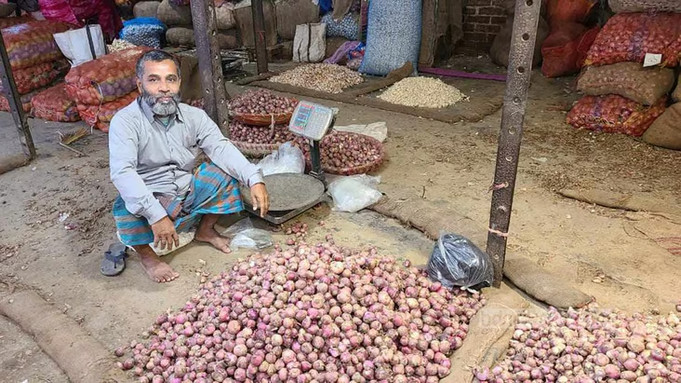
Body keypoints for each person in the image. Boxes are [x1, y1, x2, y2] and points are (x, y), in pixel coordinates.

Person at [103, 49, 269, 283]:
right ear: (139, 85)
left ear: (179, 82)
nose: (164, 88)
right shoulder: (125, 122)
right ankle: (148, 257)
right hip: (152, 194)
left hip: (186, 190)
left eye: (170, 79)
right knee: (125, 208)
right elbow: (123, 173)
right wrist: (156, 215)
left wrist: (254, 178)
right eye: (154, 80)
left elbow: (220, 148)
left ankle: (205, 230)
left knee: (223, 174)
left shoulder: (195, 117)